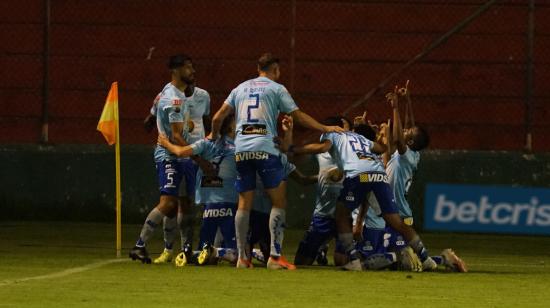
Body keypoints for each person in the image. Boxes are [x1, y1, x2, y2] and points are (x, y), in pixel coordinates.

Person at [208, 53, 345, 270]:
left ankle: (243, 259)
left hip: (241, 150)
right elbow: (298, 116)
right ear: (275, 70)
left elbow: (217, 118)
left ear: (257, 68)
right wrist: (325, 128)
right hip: (265, 149)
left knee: (244, 203)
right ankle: (274, 257)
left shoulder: (240, 88)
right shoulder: (276, 88)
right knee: (279, 201)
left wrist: (213, 137)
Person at [383, 87, 467, 272]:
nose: (405, 129)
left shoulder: (405, 154)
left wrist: (396, 107)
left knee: (394, 257)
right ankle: (443, 259)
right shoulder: (412, 153)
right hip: (395, 206)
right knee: (395, 258)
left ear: (410, 143)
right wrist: (407, 101)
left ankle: (433, 260)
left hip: (396, 207)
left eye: (408, 132)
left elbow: (398, 136)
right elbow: (410, 131)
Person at [129, 54, 195, 264]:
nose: (192, 71)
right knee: (167, 203)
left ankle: (170, 249)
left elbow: (149, 118)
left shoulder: (165, 92)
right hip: (169, 155)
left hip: (174, 154)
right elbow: (176, 136)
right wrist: (198, 154)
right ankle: (139, 245)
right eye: (188, 67)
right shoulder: (173, 98)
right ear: (175, 71)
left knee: (177, 204)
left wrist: (154, 122)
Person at [157, 115, 238, 266]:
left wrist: (166, 143)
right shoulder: (238, 148)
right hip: (229, 202)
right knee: (238, 255)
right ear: (231, 128)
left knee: (204, 252)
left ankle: (188, 253)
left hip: (208, 203)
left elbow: (181, 152)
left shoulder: (205, 144)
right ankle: (216, 251)